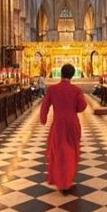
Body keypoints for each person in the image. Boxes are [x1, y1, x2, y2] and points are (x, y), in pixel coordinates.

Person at [40, 63, 87, 192]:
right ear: (72, 75)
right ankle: (67, 179)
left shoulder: (52, 89)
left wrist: (43, 119)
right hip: (73, 123)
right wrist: (73, 109)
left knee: (58, 150)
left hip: (58, 123)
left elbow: (44, 106)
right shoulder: (76, 90)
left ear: (61, 73)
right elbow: (82, 106)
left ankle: (60, 179)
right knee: (71, 149)